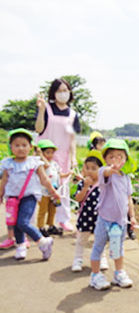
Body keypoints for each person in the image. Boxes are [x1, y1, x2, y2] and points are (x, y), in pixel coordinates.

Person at [0, 128, 60, 260]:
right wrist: (1, 194)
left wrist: (53, 191)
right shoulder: (7, 164)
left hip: (29, 197)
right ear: (11, 147)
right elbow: (4, 180)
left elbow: (44, 179)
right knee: (15, 222)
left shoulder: (34, 162)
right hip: (12, 198)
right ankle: (21, 246)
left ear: (30, 146)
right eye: (17, 145)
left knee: (23, 222)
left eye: (24, 145)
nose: (20, 148)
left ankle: (42, 241)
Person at [88, 139, 137, 290]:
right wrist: (111, 168)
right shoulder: (104, 172)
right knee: (98, 246)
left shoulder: (126, 177)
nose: (116, 160)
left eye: (120, 156)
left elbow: (129, 199)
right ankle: (95, 275)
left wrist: (132, 217)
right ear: (106, 159)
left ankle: (119, 273)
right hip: (105, 219)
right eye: (111, 157)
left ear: (125, 159)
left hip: (120, 221)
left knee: (118, 248)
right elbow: (107, 172)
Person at [35, 78, 80, 232]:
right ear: (53, 93)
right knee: (41, 188)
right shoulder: (46, 108)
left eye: (65, 90)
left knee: (62, 188)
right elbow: (39, 129)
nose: (63, 93)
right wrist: (40, 111)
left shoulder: (73, 114)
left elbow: (72, 139)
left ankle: (63, 220)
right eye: (59, 90)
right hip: (45, 155)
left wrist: (73, 158)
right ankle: (38, 222)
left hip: (63, 156)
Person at [71, 150, 109, 272]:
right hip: (86, 216)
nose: (90, 171)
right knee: (82, 239)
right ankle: (78, 259)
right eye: (87, 168)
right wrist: (86, 187)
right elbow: (78, 198)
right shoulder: (82, 183)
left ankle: (102, 258)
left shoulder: (104, 184)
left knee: (100, 239)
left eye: (94, 168)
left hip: (100, 217)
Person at [35, 139, 70, 236]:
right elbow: (46, 165)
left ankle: (50, 225)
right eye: (47, 152)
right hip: (44, 192)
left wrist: (68, 174)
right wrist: (39, 154)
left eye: (52, 152)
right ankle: (40, 227)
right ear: (41, 153)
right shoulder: (40, 164)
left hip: (54, 192)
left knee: (52, 210)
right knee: (43, 210)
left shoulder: (55, 164)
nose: (50, 155)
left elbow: (60, 174)